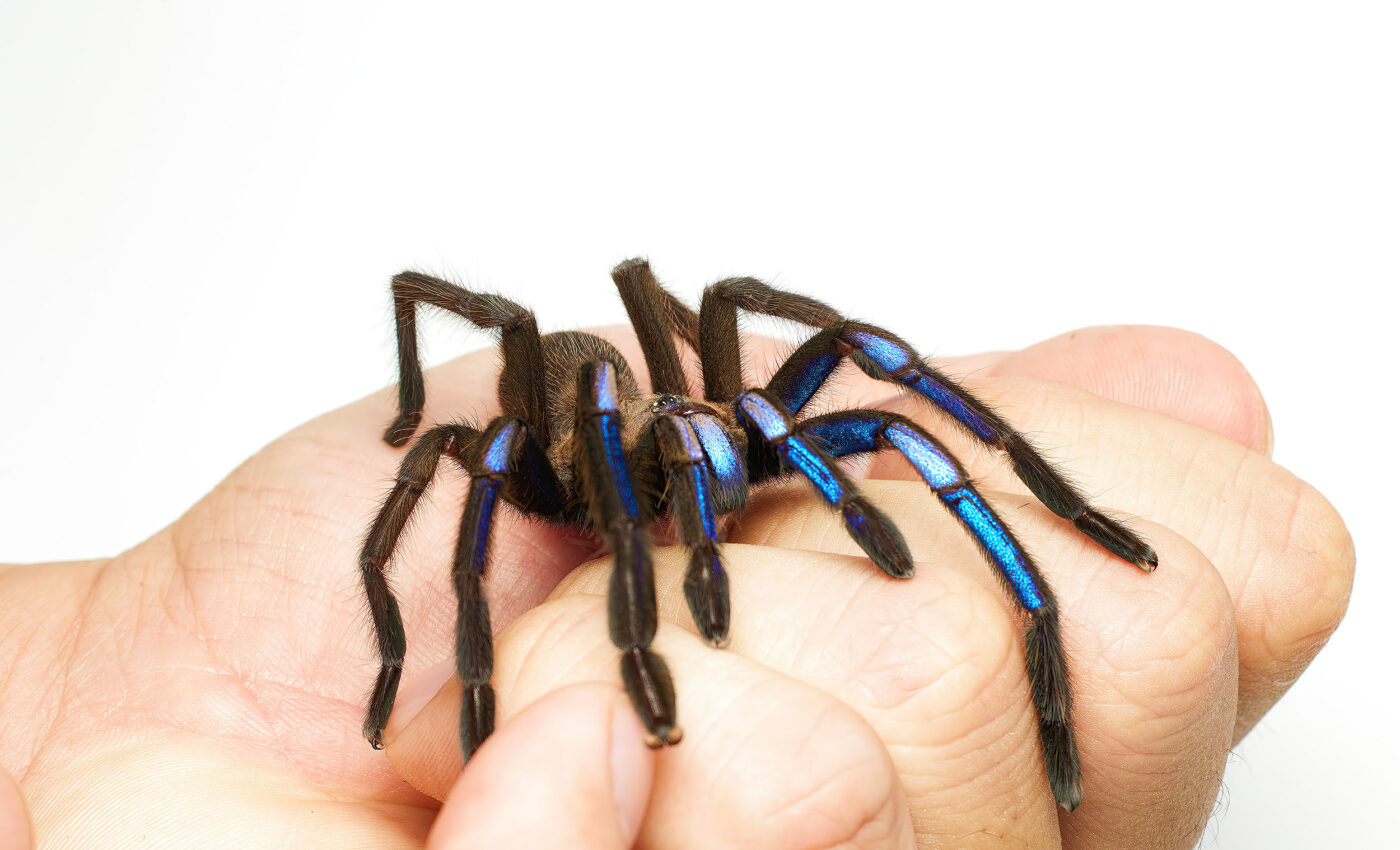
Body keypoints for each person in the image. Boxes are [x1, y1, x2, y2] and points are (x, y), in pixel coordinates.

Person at [0, 325, 1353, 849]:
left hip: (691, 425)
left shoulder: (737, 419)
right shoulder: (516, 443)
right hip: (575, 446)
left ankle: (1048, 538)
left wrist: (1037, 508)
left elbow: (858, 382)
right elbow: (441, 493)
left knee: (906, 430)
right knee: (493, 450)